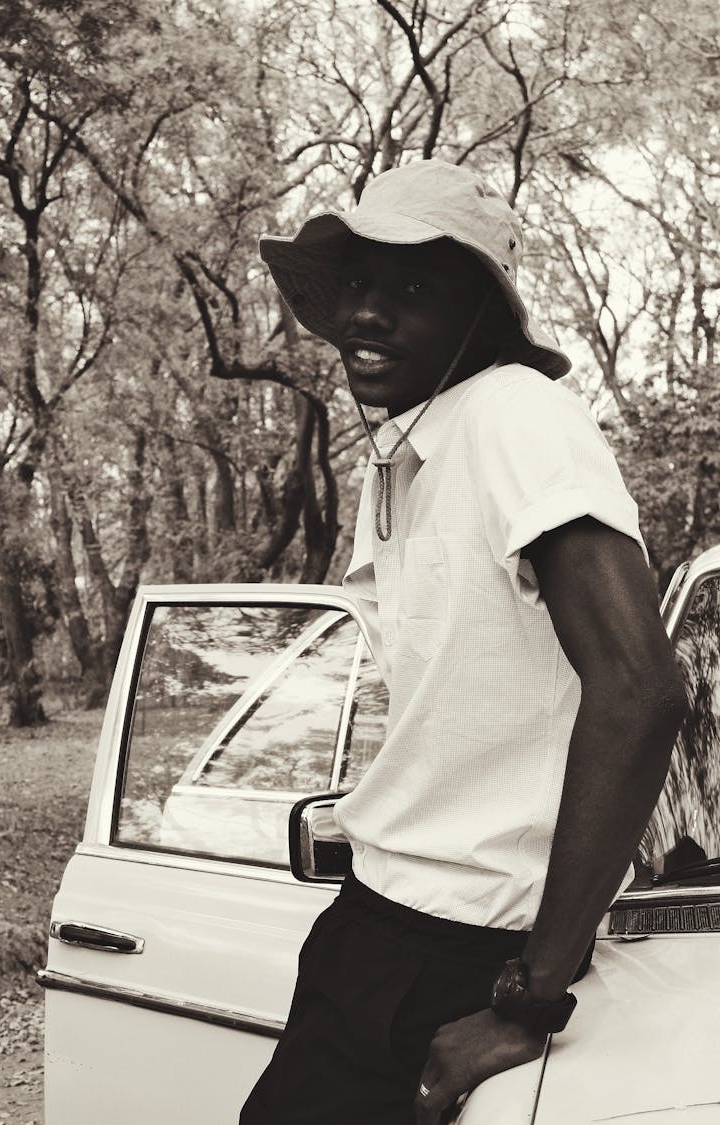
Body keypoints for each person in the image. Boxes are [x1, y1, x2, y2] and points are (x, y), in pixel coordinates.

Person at [241, 160, 687, 1125]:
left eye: (410, 288)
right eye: (356, 283)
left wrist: (529, 998)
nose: (367, 314)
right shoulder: (411, 449)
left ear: (480, 311)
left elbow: (642, 690)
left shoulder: (516, 415)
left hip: (458, 952)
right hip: (379, 926)